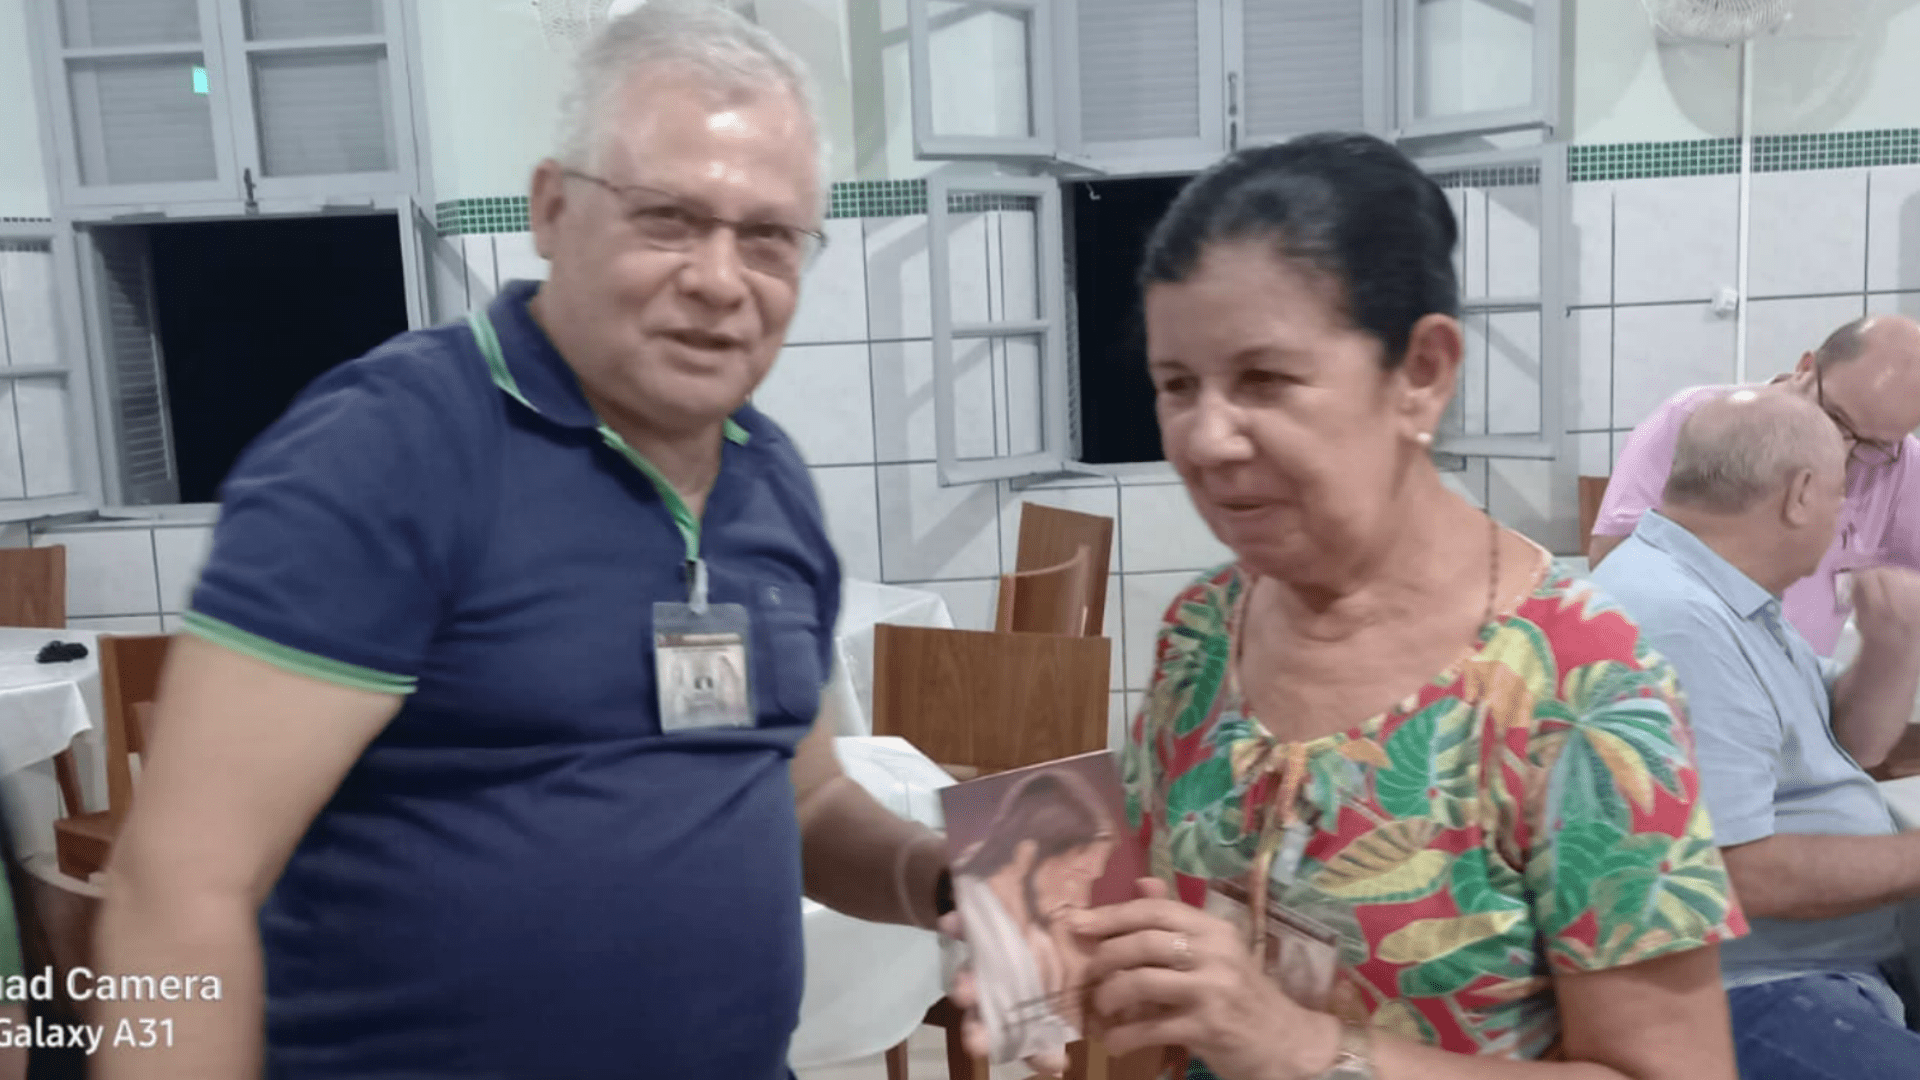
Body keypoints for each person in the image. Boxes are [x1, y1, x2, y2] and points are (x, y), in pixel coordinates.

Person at [89, 5, 954, 1078]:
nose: (722, 278)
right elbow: (180, 886)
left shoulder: (769, 482)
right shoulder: (387, 453)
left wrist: (938, 879)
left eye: (769, 236)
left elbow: (806, 796)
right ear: (552, 207)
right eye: (669, 218)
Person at [955, 134, 1748, 1080]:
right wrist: (1072, 975)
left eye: (1265, 381)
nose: (1206, 438)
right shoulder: (1205, 634)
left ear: (1421, 371)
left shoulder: (1581, 688)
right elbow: (1170, 950)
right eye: (1177, 386)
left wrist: (1301, 1048)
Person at [1591, 389, 1920, 1079]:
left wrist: (1893, 645)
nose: (1843, 516)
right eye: (1840, 494)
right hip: (1757, 990)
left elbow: (1849, 743)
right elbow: (1737, 875)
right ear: (1800, 496)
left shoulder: (1722, 597)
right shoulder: (1677, 619)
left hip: (1821, 966)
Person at [1588, 314, 1920, 656]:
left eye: (1873, 446)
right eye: (1834, 417)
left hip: (1793, 682)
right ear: (1807, 366)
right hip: (1682, 665)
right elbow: (1612, 557)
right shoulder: (1697, 419)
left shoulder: (1900, 463)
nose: (1842, 448)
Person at [951, 768, 1117, 1062]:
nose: (1083, 900)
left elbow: (1049, 1036)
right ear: (1027, 854)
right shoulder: (972, 906)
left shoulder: (1038, 935)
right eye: (1077, 875)